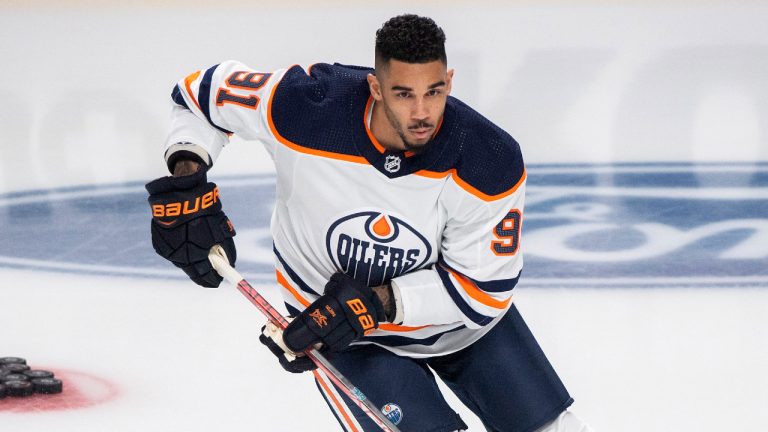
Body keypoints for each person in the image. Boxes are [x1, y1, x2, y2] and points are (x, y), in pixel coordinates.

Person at [146, 14, 593, 432]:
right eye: (404, 93)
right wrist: (187, 176)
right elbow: (198, 97)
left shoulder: (487, 158)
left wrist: (369, 304)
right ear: (375, 87)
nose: (422, 113)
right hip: (345, 339)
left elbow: (481, 290)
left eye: (434, 92)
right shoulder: (304, 107)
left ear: (449, 82)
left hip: (459, 328)